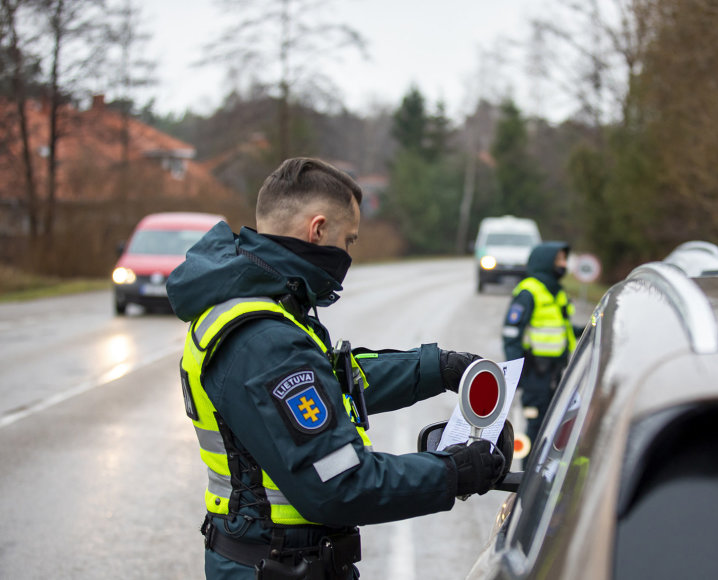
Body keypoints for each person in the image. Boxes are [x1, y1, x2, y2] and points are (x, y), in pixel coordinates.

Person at [167, 157, 511, 580]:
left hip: (266, 558)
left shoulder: (259, 306)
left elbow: (329, 382)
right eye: (348, 240)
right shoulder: (264, 341)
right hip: (277, 565)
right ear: (317, 230)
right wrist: (454, 471)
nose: (348, 254)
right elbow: (341, 484)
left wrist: (438, 369)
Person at [502, 242, 578, 450]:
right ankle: (528, 477)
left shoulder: (557, 292)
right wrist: (516, 373)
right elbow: (511, 334)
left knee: (553, 426)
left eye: (564, 259)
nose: (564, 264)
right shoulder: (529, 292)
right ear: (545, 262)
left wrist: (591, 326)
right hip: (535, 373)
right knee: (535, 429)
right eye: (559, 260)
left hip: (556, 372)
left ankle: (547, 475)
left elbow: (563, 327)